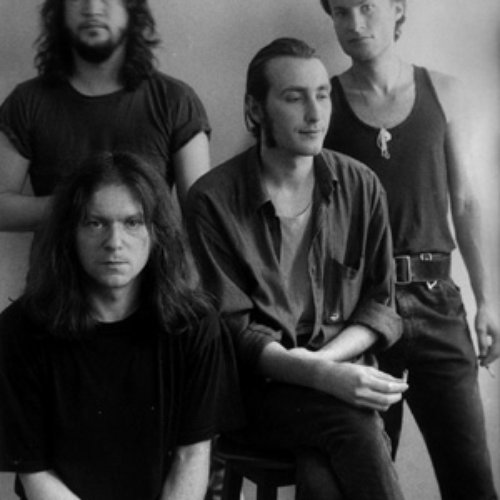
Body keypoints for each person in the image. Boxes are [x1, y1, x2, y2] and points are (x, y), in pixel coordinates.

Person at [187, 37, 408, 500]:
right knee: (351, 421)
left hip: (343, 374)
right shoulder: (212, 200)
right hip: (258, 394)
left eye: (322, 95)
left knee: (322, 479)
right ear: (255, 109)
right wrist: (319, 376)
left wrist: (323, 368)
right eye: (294, 97)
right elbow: (233, 331)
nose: (315, 113)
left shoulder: (361, 185)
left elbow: (379, 304)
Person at [320, 1, 499, 499]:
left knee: (472, 481)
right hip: (361, 310)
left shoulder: (443, 90)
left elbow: (465, 201)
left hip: (438, 302)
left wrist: (487, 301)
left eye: (367, 7)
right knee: (367, 484)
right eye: (341, 11)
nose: (354, 24)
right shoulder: (324, 101)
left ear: (397, 8)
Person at [0, 151, 242, 500]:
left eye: (132, 223)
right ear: (70, 233)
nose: (114, 242)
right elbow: (35, 473)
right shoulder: (20, 331)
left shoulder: (195, 326)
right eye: (95, 223)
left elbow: (192, 457)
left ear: (156, 232)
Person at [0, 0, 210, 232]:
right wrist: (81, 204)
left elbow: (202, 218)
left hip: (153, 257)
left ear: (131, 9)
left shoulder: (175, 100)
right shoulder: (26, 102)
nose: (92, 9)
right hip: (57, 257)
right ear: (60, 10)